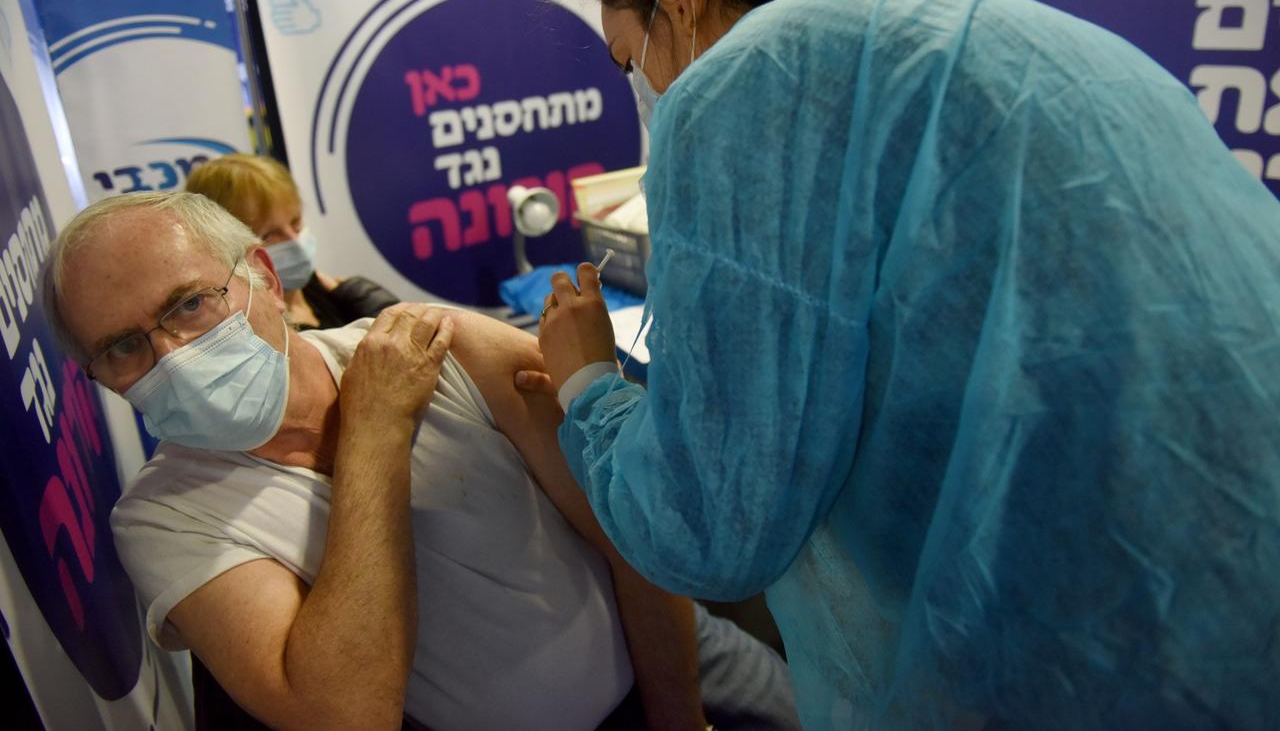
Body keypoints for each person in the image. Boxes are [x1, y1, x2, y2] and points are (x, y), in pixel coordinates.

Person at [529, 0, 1280, 727]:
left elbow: (710, 521)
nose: (652, 95)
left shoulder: (746, 76)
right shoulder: (972, 28)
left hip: (1108, 631)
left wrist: (586, 381)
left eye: (634, 61)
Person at [42, 192, 799, 730]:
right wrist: (374, 432)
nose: (170, 355)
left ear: (266, 280)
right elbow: (343, 713)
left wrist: (676, 716)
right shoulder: (163, 514)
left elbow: (629, 533)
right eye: (121, 346)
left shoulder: (440, 345)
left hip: (678, 655)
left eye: (187, 304)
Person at [186, 153, 399, 330]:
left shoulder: (329, 291)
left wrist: (360, 296)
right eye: (268, 235)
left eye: (295, 223)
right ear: (223, 245)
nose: (294, 240)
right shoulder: (259, 339)